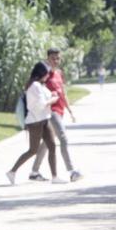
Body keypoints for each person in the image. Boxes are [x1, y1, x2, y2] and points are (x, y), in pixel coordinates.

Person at [31, 48, 82, 183]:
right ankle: (72, 171)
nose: (56, 61)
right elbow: (35, 91)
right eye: (53, 58)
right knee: (63, 138)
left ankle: (34, 172)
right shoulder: (44, 74)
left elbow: (62, 93)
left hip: (60, 111)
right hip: (50, 111)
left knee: (47, 143)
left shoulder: (59, 73)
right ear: (47, 59)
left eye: (58, 58)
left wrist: (69, 110)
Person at [5, 62, 59, 184]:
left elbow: (46, 97)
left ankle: (55, 177)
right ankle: (12, 171)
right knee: (33, 150)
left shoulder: (40, 85)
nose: (47, 76)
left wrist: (53, 95)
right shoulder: (34, 85)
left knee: (52, 146)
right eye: (46, 74)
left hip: (45, 119)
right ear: (41, 73)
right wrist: (53, 100)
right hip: (35, 121)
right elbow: (41, 105)